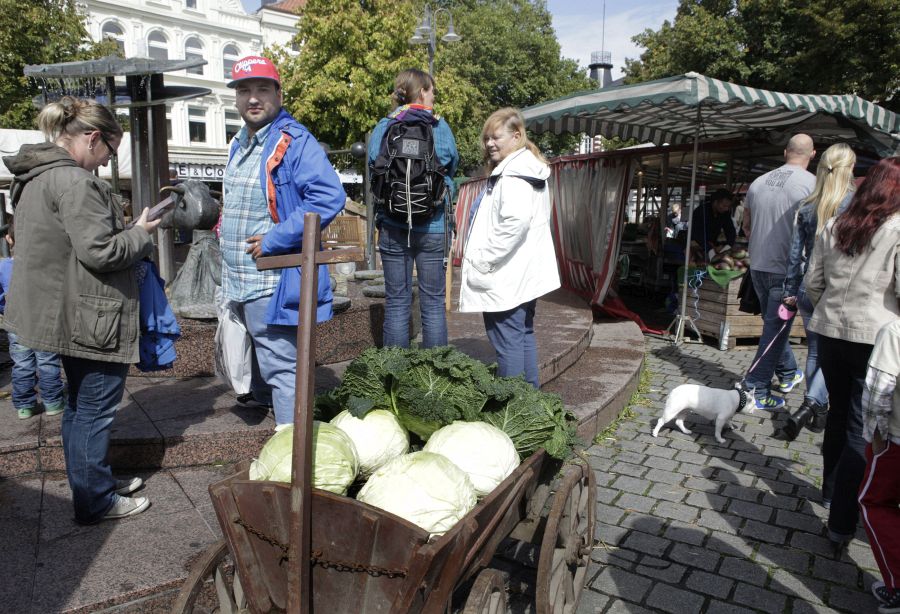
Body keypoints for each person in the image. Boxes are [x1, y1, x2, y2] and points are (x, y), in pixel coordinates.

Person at [1, 97, 159, 523]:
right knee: (93, 409)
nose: (108, 160)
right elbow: (101, 252)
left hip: (64, 309)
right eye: (110, 150)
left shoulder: (37, 176)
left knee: (79, 407)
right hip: (90, 316)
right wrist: (141, 233)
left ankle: (93, 483)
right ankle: (95, 500)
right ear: (92, 138)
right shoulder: (76, 183)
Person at [221, 56, 345, 428]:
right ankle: (270, 413)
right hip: (239, 278)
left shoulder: (294, 140)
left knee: (282, 366)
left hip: (271, 278)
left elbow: (328, 196)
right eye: (244, 90)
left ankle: (291, 447)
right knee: (263, 361)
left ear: (279, 94)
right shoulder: (240, 142)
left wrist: (276, 238)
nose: (252, 98)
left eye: (262, 89)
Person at [805, 156, 900, 555]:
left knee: (840, 416)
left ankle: (831, 492)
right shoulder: (896, 229)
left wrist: (829, 313)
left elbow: (813, 282)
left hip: (831, 333)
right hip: (874, 340)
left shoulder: (835, 224)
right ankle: (842, 521)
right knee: (863, 431)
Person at [458, 108, 560, 387]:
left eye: (496, 137)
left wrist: (483, 260)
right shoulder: (526, 168)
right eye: (487, 138)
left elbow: (515, 223)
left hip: (506, 276)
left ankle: (513, 403)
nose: (489, 143)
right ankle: (528, 399)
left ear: (516, 136)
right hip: (521, 273)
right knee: (521, 335)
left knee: (507, 341)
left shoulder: (514, 174)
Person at [368, 68, 459, 348]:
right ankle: (434, 371)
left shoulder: (385, 126)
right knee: (433, 304)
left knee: (397, 303)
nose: (434, 97)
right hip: (433, 225)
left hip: (393, 225)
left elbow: (374, 165)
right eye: (432, 91)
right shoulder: (439, 127)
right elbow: (451, 166)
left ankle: (395, 371)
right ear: (421, 92)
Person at [776, 143, 856, 441]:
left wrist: (789, 290)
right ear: (849, 169)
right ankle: (813, 404)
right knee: (836, 355)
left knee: (815, 352)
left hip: (808, 287)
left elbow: (795, 254)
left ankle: (817, 410)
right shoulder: (855, 205)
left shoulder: (807, 204)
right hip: (839, 290)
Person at [742, 134, 816, 410]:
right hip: (787, 270)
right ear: (812, 154)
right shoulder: (813, 185)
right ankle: (756, 389)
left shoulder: (758, 182)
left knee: (774, 327)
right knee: (775, 330)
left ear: (785, 152)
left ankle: (788, 373)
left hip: (758, 265)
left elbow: (746, 226)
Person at [0, 223, 65, 419]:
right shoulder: (44, 264)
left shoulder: (3, 267)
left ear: (9, 239)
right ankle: (53, 402)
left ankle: (24, 406)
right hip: (43, 320)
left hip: (16, 322)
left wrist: (5, 309)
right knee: (48, 361)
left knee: (22, 364)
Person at [859, 318, 900, 613]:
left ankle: (898, 583)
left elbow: (877, 391)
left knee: (873, 502)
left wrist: (876, 436)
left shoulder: (894, 331)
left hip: (895, 440)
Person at [690, 188, 736, 257]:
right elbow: (696, 233)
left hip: (712, 244)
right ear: (715, 202)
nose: (726, 209)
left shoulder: (725, 213)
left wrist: (728, 245)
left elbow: (730, 230)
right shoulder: (701, 211)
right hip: (697, 245)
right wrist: (709, 249)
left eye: (728, 206)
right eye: (724, 206)